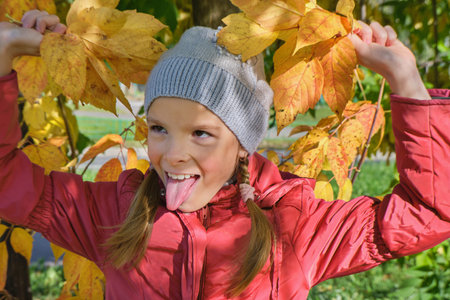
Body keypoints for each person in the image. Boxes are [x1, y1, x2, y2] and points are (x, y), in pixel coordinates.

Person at [0, 9, 449, 300]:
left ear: (242, 145)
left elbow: (428, 213)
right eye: (159, 129)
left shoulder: (294, 229)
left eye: (201, 133)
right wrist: (4, 57)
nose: (173, 155)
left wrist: (406, 82)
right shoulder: (113, 215)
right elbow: (8, 181)